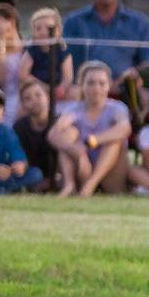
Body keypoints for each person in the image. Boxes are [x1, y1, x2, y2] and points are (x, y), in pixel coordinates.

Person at [62, 0, 149, 81]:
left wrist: (128, 78)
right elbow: (62, 61)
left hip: (125, 91)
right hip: (82, 92)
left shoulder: (140, 23)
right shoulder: (73, 22)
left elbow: (148, 63)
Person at [49, 62, 131, 197]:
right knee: (68, 134)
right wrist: (77, 152)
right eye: (91, 83)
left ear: (109, 85)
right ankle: (69, 184)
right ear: (82, 85)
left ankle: (90, 186)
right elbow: (54, 133)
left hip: (111, 172)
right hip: (82, 169)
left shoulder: (117, 108)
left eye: (101, 83)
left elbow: (124, 128)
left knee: (115, 140)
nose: (96, 88)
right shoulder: (73, 109)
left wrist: (93, 141)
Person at [14, 77, 57, 191]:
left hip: (57, 176)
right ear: (23, 105)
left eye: (38, 95)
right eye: (28, 98)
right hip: (33, 174)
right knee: (35, 175)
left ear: (47, 97)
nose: (34, 100)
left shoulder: (59, 123)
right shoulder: (19, 127)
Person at [24, 6, 73, 101]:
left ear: (59, 31)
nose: (44, 32)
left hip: (58, 89)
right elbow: (23, 74)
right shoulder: (32, 50)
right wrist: (43, 87)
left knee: (75, 92)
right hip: (37, 88)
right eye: (38, 29)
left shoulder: (63, 52)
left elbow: (68, 77)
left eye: (49, 28)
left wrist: (61, 88)